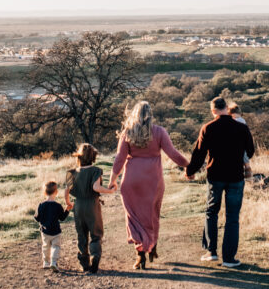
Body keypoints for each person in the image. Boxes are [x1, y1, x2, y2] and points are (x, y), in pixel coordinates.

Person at [108, 101, 189, 270]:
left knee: (134, 217)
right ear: (150, 114)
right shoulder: (159, 132)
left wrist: (112, 179)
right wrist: (188, 165)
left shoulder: (127, 132)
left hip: (131, 180)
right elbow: (173, 153)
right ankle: (152, 247)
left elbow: (119, 159)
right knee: (152, 214)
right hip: (153, 180)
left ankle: (140, 255)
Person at [185, 96, 255, 268]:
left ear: (213, 110)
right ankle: (229, 259)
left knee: (211, 212)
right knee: (232, 217)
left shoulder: (208, 128)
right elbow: (251, 151)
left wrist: (190, 171)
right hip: (236, 177)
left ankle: (211, 252)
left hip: (215, 176)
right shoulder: (241, 128)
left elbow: (199, 154)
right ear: (226, 108)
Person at [64, 143, 114, 274]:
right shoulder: (95, 171)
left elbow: (66, 191)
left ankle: (84, 263)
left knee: (81, 234)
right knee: (96, 234)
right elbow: (96, 188)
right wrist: (110, 191)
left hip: (78, 205)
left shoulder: (72, 173)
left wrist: (69, 203)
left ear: (79, 157)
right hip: (92, 204)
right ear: (93, 157)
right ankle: (95, 256)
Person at [33, 180, 71, 271]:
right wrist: (67, 209)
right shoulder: (58, 206)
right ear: (56, 192)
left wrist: (39, 219)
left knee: (45, 246)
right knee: (56, 246)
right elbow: (62, 218)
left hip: (45, 231)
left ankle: (46, 262)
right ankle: (53, 262)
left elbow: (37, 218)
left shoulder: (41, 205)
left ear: (44, 192)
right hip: (56, 232)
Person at [228, 102, 253, 180]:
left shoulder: (238, 120)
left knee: (243, 156)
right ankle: (247, 170)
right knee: (244, 156)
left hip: (239, 143)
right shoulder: (241, 119)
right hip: (242, 143)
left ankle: (247, 170)